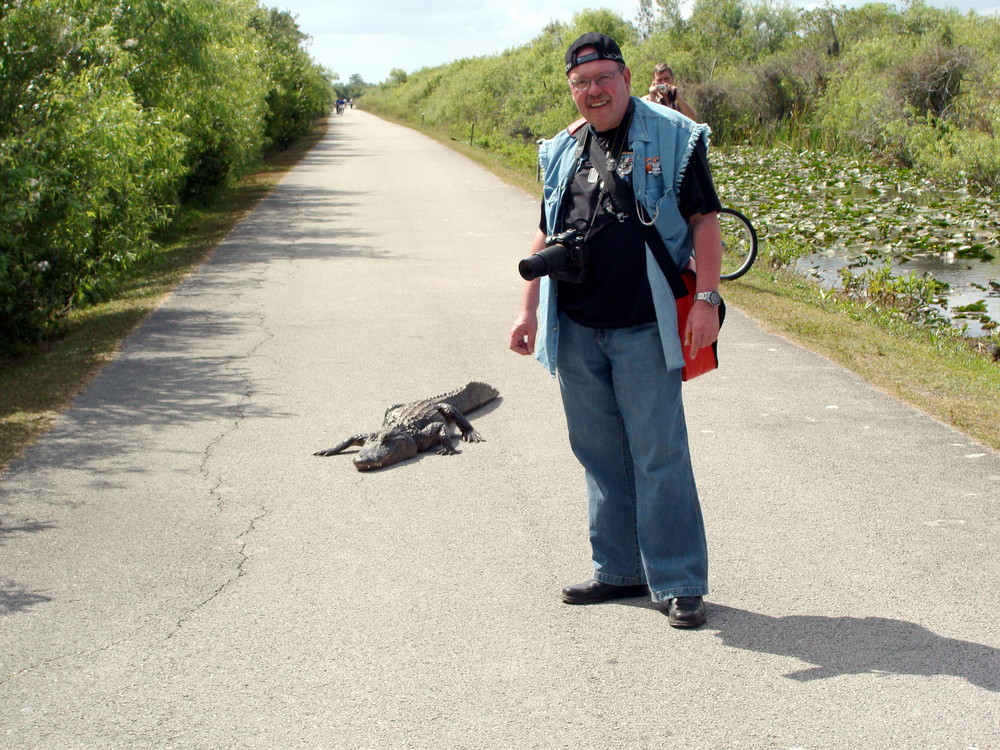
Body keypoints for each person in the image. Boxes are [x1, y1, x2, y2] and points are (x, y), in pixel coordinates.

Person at [508, 33, 724, 628]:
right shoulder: (562, 149)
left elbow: (706, 224)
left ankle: (679, 579)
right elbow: (545, 232)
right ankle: (619, 569)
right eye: (582, 83)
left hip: (644, 324)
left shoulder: (676, 136)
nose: (594, 91)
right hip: (577, 327)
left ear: (626, 78)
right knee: (598, 453)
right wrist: (528, 310)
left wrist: (706, 299)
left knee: (659, 454)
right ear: (572, 89)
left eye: (604, 78)